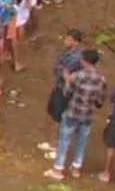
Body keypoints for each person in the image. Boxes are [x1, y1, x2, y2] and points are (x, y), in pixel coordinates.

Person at [45, 49, 105, 180]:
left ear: (84, 61)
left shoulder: (77, 76)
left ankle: (58, 169)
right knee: (82, 142)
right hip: (88, 114)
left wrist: (67, 79)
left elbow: (67, 93)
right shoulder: (101, 78)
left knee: (64, 140)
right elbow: (100, 101)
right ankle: (76, 169)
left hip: (73, 112)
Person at [42, 29, 84, 152]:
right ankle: (52, 141)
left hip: (66, 89)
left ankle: (56, 144)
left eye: (69, 39)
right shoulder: (66, 52)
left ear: (76, 42)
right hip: (59, 85)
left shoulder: (77, 56)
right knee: (53, 111)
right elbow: (57, 67)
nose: (66, 41)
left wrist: (61, 70)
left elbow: (64, 69)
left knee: (59, 115)